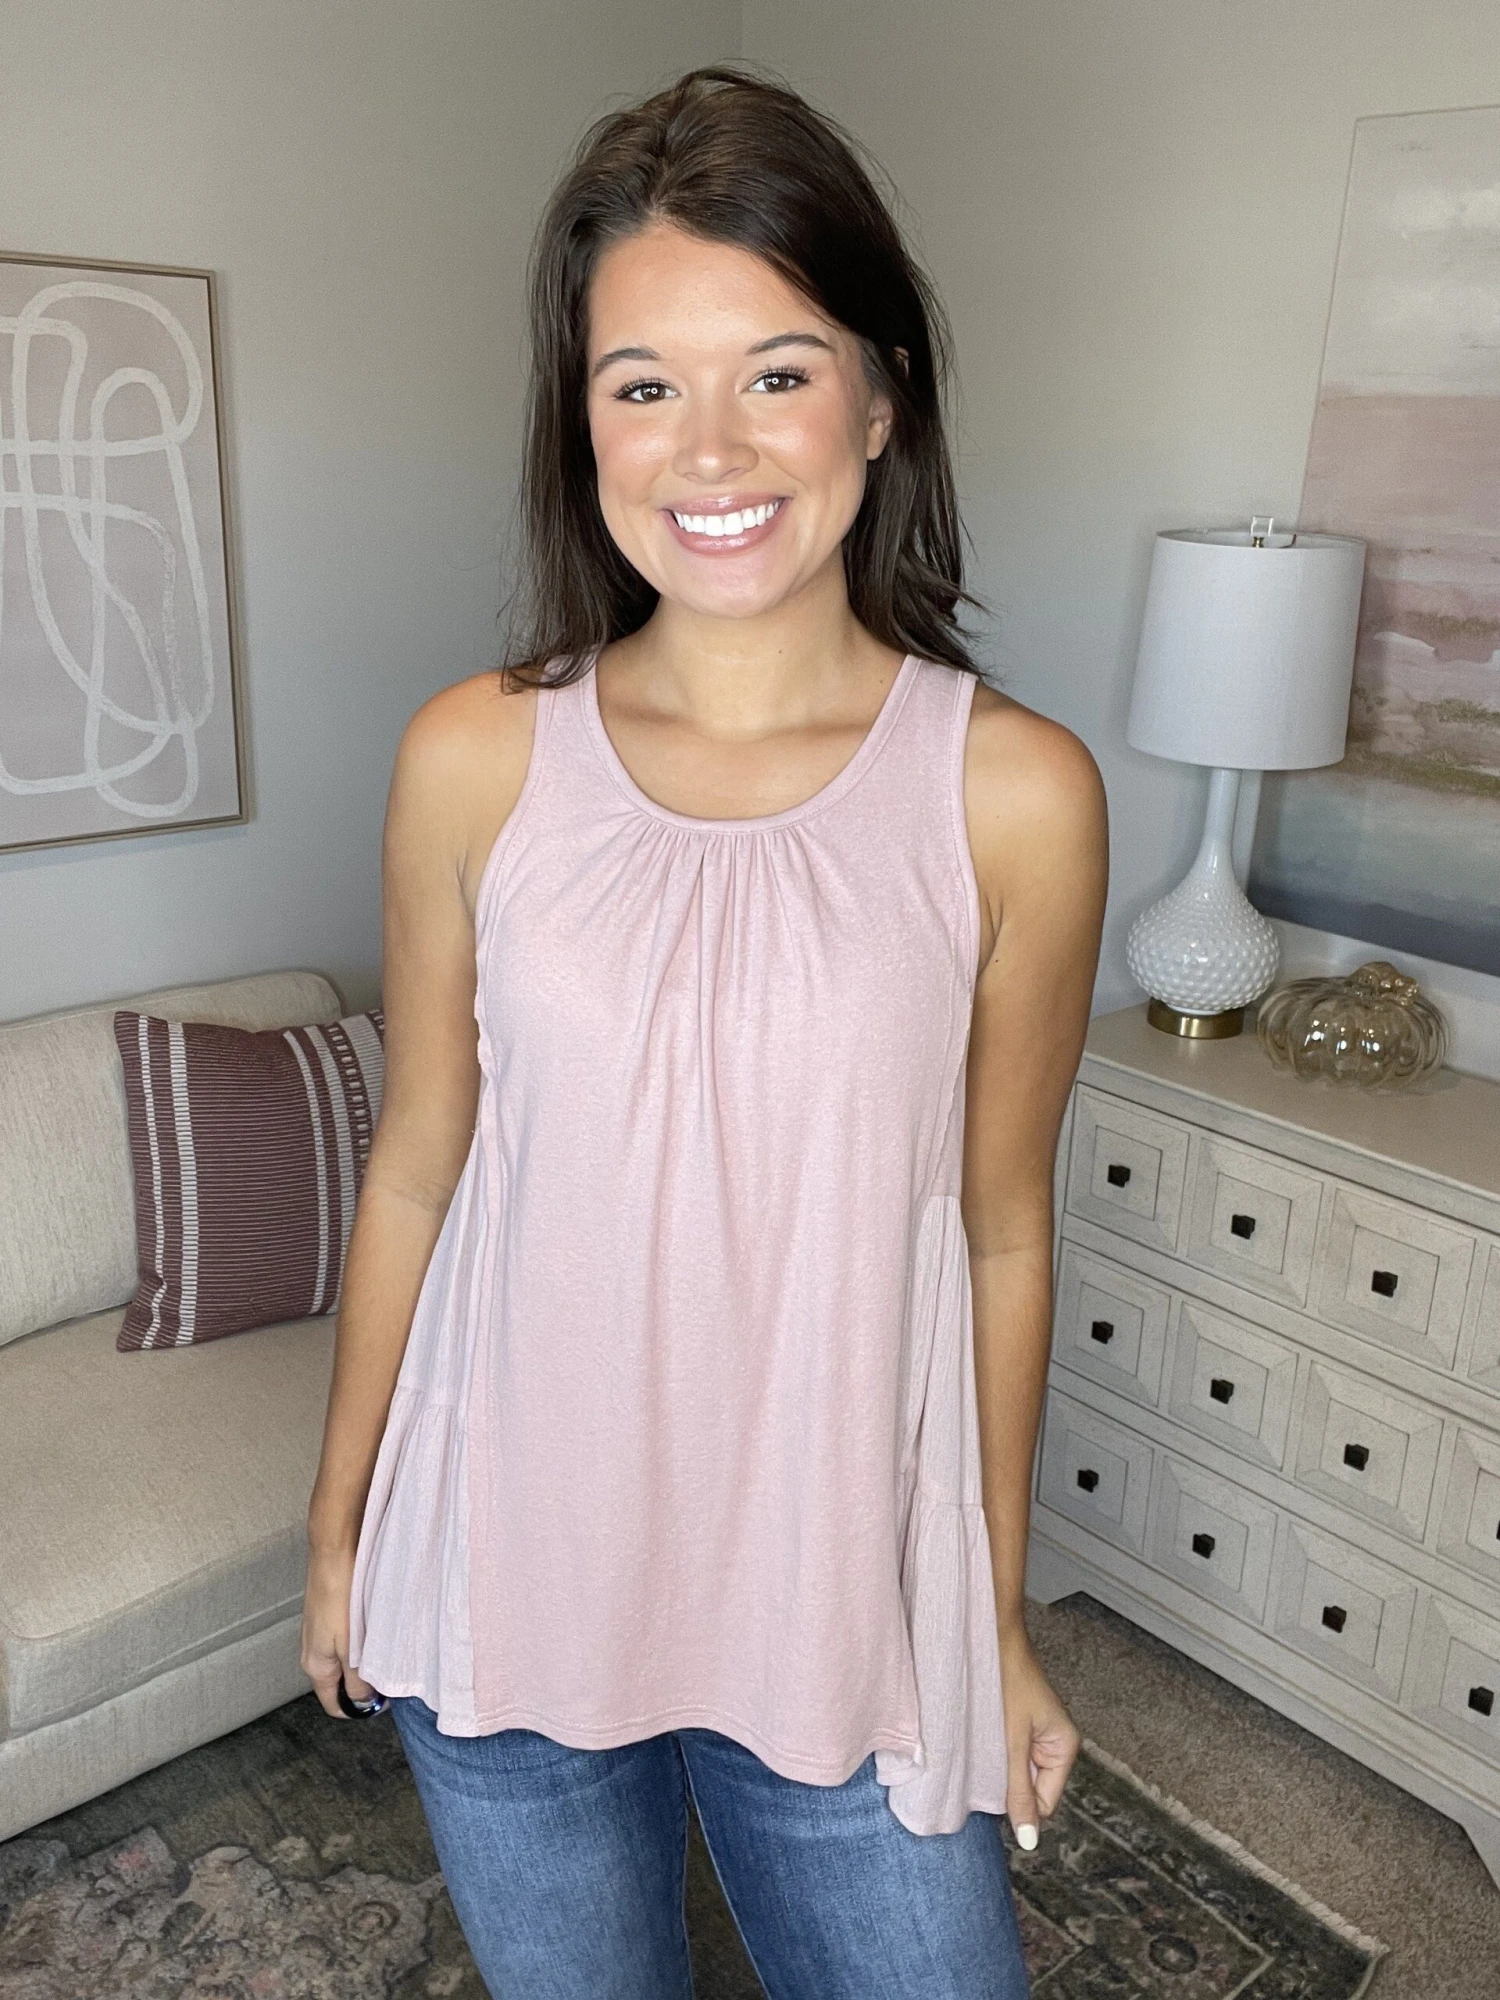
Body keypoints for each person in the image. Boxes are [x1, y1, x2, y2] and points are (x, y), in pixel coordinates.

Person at [301, 64, 1107, 2000]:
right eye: (643, 382)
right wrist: (340, 1529)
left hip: (837, 1611)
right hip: (502, 1578)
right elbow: (419, 1168)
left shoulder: (1014, 792)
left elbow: (1001, 1232)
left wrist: (987, 1615)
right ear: (581, 422)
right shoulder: (474, 751)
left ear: (882, 399)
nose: (709, 445)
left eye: (779, 370)